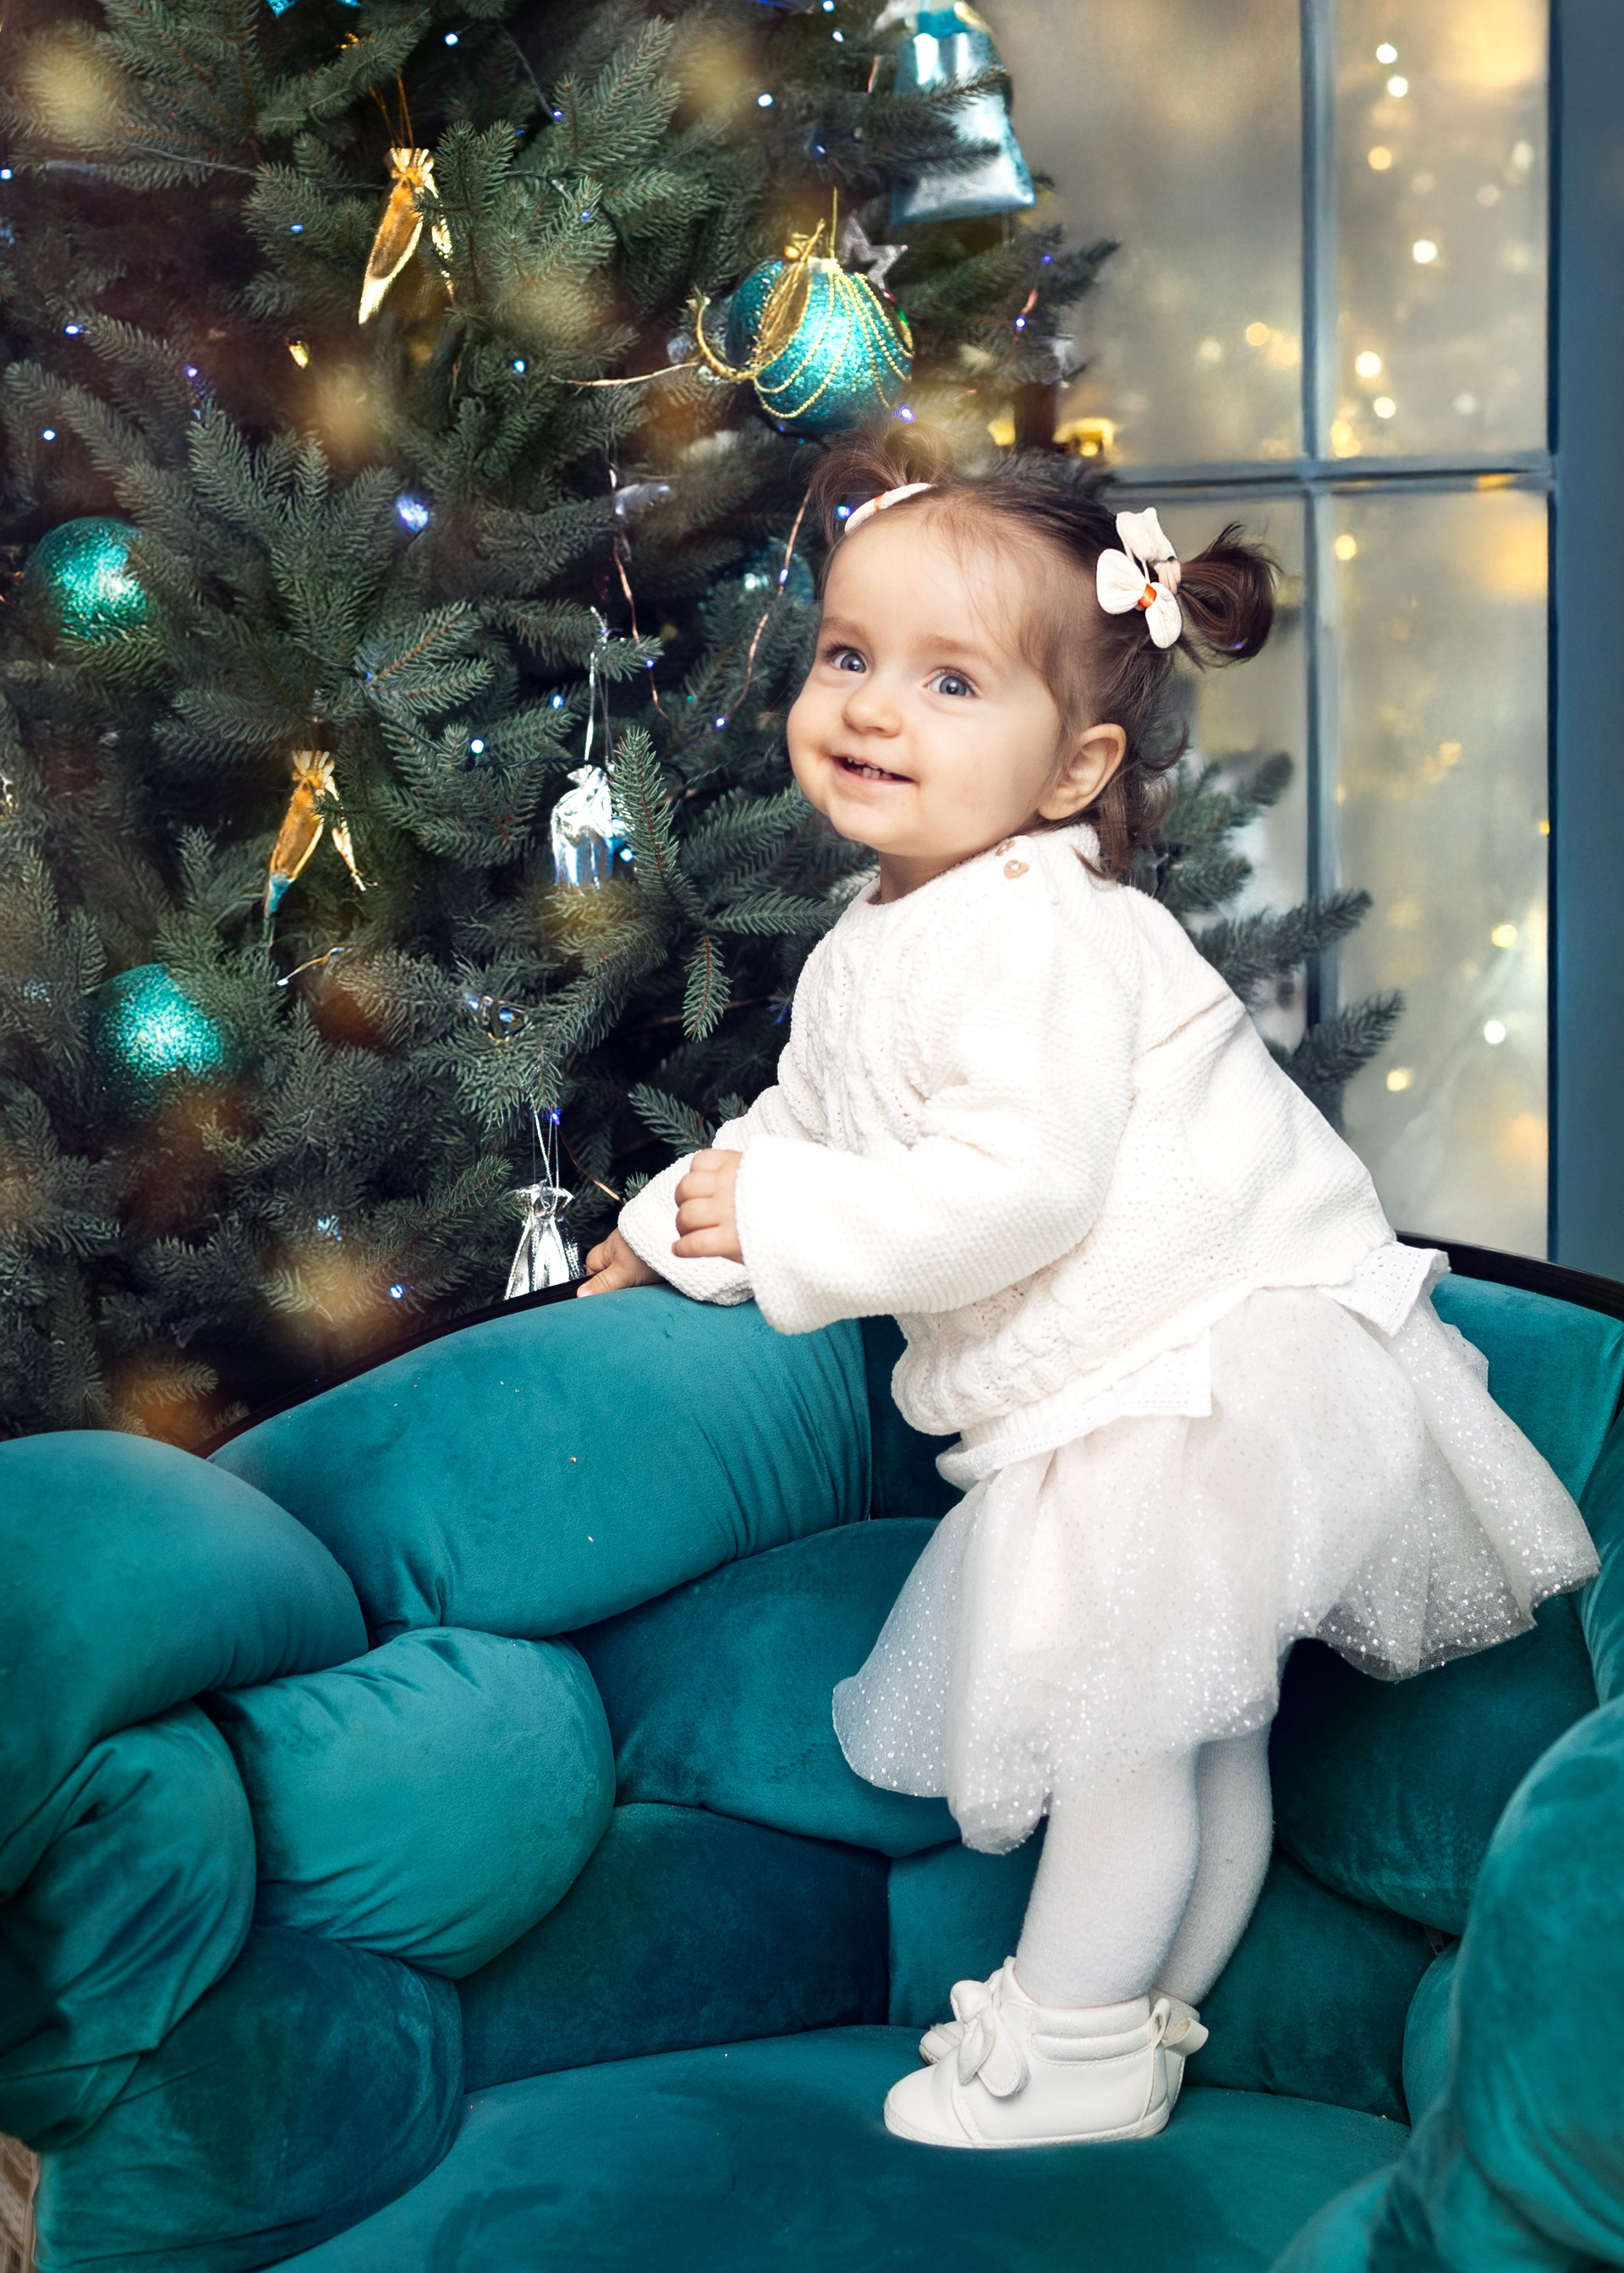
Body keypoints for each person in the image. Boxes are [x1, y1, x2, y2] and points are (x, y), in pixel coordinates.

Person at [576, 439, 1597, 2150]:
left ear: (1075, 769)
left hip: (1199, 1369)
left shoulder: (1039, 931)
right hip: (1145, 1374)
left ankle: (1067, 2038)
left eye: (950, 681)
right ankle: (1145, 2036)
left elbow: (1018, 1191)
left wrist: (783, 1209)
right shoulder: (876, 938)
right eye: (848, 654)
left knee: (1134, 1743)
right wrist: (684, 1226)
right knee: (1196, 1739)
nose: (871, 707)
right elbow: (806, 1132)